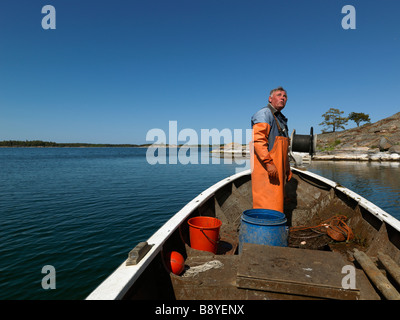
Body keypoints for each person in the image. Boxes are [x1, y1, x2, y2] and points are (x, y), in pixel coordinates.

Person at [250, 86, 292, 213]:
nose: (283, 98)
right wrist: (268, 163)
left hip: (278, 169)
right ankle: (264, 229)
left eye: (285, 96)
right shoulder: (264, 114)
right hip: (266, 169)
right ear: (270, 98)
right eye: (279, 95)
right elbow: (259, 141)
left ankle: (275, 228)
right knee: (265, 204)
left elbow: (283, 149)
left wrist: (287, 168)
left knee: (277, 203)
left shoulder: (281, 119)